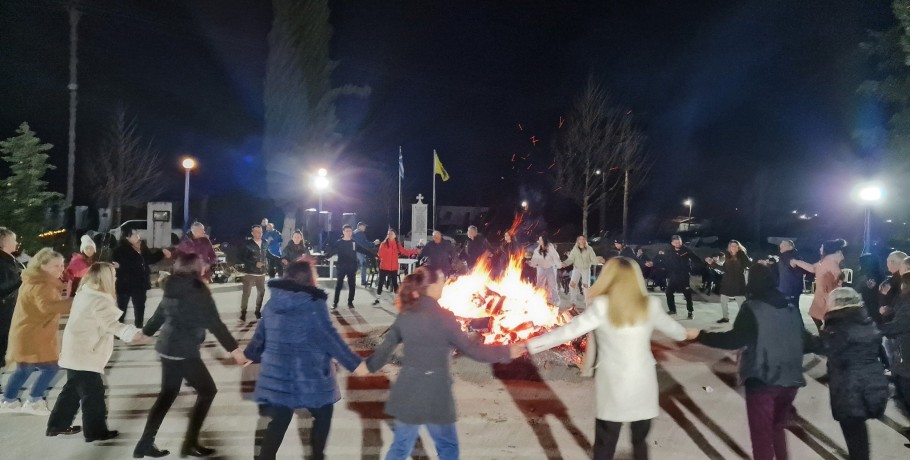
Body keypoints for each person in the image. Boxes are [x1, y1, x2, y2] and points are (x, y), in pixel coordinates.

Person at [527, 257, 694, 460]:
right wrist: (690, 333)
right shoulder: (650, 305)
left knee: (606, 443)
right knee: (640, 443)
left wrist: (530, 345)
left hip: (613, 385)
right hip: (643, 384)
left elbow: (568, 332)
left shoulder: (602, 306)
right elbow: (677, 332)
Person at [365, 267, 520, 460]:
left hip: (408, 391)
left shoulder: (405, 314)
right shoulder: (445, 317)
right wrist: (507, 351)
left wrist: (364, 366)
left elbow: (382, 354)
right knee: (447, 447)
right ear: (429, 286)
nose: (443, 285)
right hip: (435, 393)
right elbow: (474, 351)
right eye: (440, 281)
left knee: (400, 447)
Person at [244, 259, 368, 460]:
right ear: (307, 278)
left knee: (280, 417)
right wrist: (355, 364)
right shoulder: (313, 304)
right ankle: (317, 456)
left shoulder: (272, 303)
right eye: (314, 274)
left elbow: (261, 335)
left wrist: (250, 355)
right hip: (309, 376)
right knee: (323, 412)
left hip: (280, 375)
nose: (317, 277)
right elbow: (330, 338)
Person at [693, 264, 819, 460]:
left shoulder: (751, 308)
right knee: (777, 429)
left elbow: (735, 339)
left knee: (762, 437)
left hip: (762, 381)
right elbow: (806, 341)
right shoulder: (791, 308)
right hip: (789, 381)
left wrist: (701, 336)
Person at [134, 253, 249, 458]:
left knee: (167, 395)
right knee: (207, 391)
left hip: (166, 349)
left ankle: (145, 443)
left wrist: (146, 332)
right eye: (202, 263)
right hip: (184, 351)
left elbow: (160, 314)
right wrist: (235, 351)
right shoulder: (198, 290)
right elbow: (215, 323)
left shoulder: (171, 285)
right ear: (196, 268)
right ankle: (190, 443)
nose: (205, 265)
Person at [47, 262, 143, 442]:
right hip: (85, 352)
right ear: (105, 278)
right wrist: (131, 333)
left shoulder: (85, 292)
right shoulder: (99, 300)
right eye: (113, 275)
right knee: (94, 394)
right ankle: (95, 432)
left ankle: (57, 425)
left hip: (76, 349)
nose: (115, 278)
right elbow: (111, 324)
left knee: (72, 390)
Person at [0, 248, 73, 414]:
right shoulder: (41, 284)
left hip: (30, 332)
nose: (60, 269)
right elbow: (46, 307)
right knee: (50, 368)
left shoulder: (36, 281)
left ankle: (9, 400)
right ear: (43, 266)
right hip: (33, 334)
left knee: (24, 368)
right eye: (55, 265)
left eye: (62, 265)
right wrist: (74, 303)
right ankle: (33, 400)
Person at [820, 287, 889, 460]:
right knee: (858, 431)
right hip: (870, 384)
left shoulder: (838, 327)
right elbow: (880, 351)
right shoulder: (866, 322)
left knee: (854, 434)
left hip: (849, 387)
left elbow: (824, 347)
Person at [112, 229, 171, 327]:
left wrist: (161, 253)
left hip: (140, 283)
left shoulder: (142, 246)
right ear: (127, 237)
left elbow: (150, 259)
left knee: (139, 307)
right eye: (134, 235)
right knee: (122, 308)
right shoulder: (120, 250)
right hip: (125, 283)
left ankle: (139, 328)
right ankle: (118, 329)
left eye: (137, 234)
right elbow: (120, 265)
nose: (137, 236)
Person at [791, 238, 847, 331]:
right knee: (821, 316)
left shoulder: (828, 262)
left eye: (821, 247)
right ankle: (825, 334)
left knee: (826, 317)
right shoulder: (826, 261)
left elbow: (837, 273)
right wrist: (797, 262)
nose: (820, 249)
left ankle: (826, 335)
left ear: (827, 249)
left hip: (826, 294)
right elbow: (813, 268)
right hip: (824, 293)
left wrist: (838, 281)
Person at [879, 273, 910, 435]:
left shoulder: (907, 304)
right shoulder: (905, 303)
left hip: (906, 358)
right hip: (904, 356)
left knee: (905, 393)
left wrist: (872, 330)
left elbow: (897, 326)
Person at [373, 229, 419, 306]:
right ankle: (377, 299)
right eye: (389, 234)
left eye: (392, 234)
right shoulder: (383, 244)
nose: (390, 235)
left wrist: (415, 251)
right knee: (380, 283)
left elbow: (405, 252)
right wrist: (382, 259)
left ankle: (397, 299)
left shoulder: (397, 244)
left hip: (393, 267)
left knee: (395, 283)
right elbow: (380, 255)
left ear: (395, 235)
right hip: (384, 267)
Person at [0, 227, 23, 373]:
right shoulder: (2, 261)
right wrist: (21, 278)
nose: (16, 243)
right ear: (5, 242)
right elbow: (3, 286)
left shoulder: (8, 260)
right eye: (14, 240)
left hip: (8, 314)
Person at [561, 235, 605, 308]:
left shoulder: (589, 249)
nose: (581, 241)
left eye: (583, 239)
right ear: (578, 241)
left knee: (586, 286)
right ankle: (573, 302)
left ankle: (587, 303)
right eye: (580, 239)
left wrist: (599, 260)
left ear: (585, 240)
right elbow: (571, 259)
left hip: (586, 269)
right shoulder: (575, 250)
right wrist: (565, 263)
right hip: (576, 269)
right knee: (572, 285)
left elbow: (593, 259)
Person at [665, 235, 701, 319]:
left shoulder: (686, 250)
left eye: (679, 242)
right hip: (673, 275)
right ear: (672, 243)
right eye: (676, 243)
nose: (678, 244)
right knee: (669, 292)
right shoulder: (669, 251)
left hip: (684, 276)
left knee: (687, 294)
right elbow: (666, 261)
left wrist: (704, 263)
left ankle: (690, 311)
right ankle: (672, 309)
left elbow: (696, 259)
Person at [716, 240, 751, 324]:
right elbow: (724, 269)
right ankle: (725, 317)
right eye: (732, 246)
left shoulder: (741, 255)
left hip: (738, 282)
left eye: (736, 246)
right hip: (727, 282)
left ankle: (746, 319)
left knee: (741, 302)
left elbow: (749, 264)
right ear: (729, 247)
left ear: (738, 247)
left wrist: (744, 255)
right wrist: (713, 264)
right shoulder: (727, 256)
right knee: (723, 300)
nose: (734, 247)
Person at [239, 225, 269, 321]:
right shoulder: (247, 244)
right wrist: (254, 263)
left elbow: (268, 255)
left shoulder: (265, 243)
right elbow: (241, 257)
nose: (259, 234)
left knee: (261, 293)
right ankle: (243, 312)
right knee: (246, 294)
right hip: (250, 273)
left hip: (261, 274)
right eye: (257, 232)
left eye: (261, 232)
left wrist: (280, 258)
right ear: (252, 233)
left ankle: (257, 311)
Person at [328, 225, 359, 309]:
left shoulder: (354, 242)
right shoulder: (339, 242)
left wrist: (372, 255)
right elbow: (332, 251)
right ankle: (335, 303)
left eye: (350, 231)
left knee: (352, 285)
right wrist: (325, 256)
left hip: (352, 268)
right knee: (339, 285)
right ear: (343, 232)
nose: (349, 232)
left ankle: (350, 302)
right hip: (341, 267)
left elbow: (362, 249)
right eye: (347, 231)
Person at [528, 234, 562, 306]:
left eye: (540, 240)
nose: (539, 241)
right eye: (539, 240)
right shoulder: (537, 250)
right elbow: (534, 260)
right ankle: (539, 300)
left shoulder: (550, 248)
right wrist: (531, 263)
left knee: (552, 285)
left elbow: (556, 257)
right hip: (540, 268)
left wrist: (559, 265)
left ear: (544, 240)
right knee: (540, 285)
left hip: (550, 268)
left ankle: (555, 301)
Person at [856, 253, 884, 323]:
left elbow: (857, 291)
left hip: (869, 308)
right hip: (878, 308)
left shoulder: (866, 277)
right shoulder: (880, 274)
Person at [352, 221, 379, 288]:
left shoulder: (354, 233)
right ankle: (363, 281)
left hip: (354, 252)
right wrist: (374, 243)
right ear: (359, 226)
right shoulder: (360, 233)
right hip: (360, 252)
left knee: (355, 267)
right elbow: (364, 244)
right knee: (363, 266)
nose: (365, 228)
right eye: (364, 226)